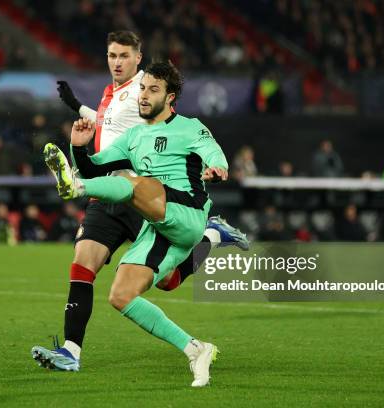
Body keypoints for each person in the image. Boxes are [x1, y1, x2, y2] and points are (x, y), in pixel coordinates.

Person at [35, 31, 248, 375]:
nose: (144, 95)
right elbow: (94, 163)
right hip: (152, 216)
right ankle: (195, 347)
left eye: (151, 90)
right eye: (144, 89)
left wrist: (217, 167)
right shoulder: (132, 131)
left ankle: (76, 188)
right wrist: (77, 146)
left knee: (128, 181)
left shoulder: (189, 127)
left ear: (170, 96)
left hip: (184, 209)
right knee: (123, 294)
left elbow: (213, 151)